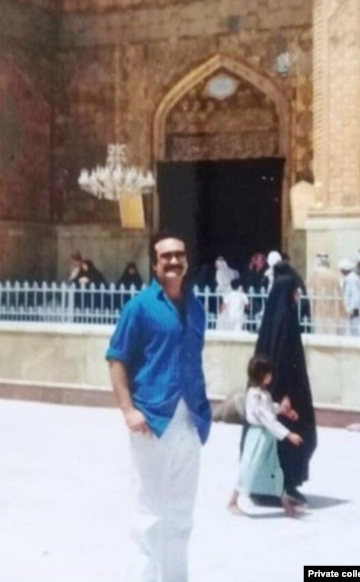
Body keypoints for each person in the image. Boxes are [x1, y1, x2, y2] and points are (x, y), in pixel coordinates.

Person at [106, 231, 212, 582]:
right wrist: (128, 410)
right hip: (152, 420)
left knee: (181, 515)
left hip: (189, 422)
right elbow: (117, 359)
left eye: (179, 255)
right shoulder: (139, 307)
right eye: (165, 256)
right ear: (154, 264)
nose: (173, 262)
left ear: (186, 262)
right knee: (149, 515)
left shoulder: (196, 308)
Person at [253, 262, 317, 505]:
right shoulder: (283, 324)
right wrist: (284, 396)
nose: (298, 296)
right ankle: (277, 486)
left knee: (301, 437)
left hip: (286, 393)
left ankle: (286, 484)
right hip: (282, 396)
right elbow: (278, 360)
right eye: (295, 291)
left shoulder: (281, 319)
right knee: (287, 438)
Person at [227, 355, 305, 517]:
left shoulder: (263, 394)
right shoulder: (254, 395)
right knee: (249, 467)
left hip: (267, 438)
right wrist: (289, 435)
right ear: (260, 375)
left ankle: (286, 506)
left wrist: (283, 410)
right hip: (257, 437)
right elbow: (266, 418)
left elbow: (269, 409)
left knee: (275, 469)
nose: (270, 375)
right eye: (267, 372)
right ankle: (233, 500)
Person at [307, 254, 344, 334]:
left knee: (320, 334)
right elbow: (339, 295)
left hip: (319, 310)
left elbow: (309, 292)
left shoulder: (314, 274)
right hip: (332, 311)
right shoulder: (334, 276)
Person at [339, 257, 360, 335]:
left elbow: (356, 295)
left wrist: (352, 309)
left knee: (353, 332)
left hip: (352, 311)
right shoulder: (350, 278)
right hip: (349, 309)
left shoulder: (351, 279)